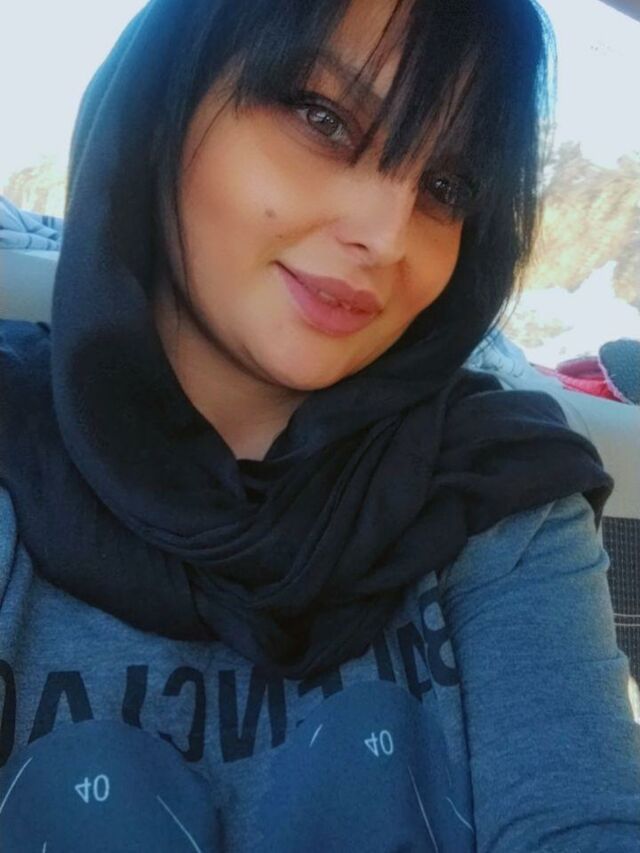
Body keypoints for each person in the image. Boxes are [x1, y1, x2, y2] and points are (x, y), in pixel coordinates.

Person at [0, 0, 639, 849]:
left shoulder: (500, 488)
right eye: (324, 117)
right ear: (165, 100)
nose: (388, 235)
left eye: (446, 187)